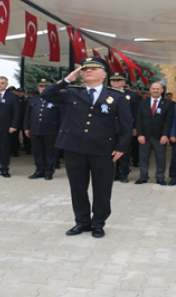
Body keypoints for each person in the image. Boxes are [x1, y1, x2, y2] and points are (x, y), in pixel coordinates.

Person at [41, 56, 131, 239]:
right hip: (74, 148)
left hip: (103, 150)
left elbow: (126, 125)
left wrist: (121, 147)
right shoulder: (72, 92)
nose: (87, 71)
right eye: (84, 69)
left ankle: (98, 223)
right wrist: (67, 80)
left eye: (93, 68)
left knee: (102, 189)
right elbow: (46, 94)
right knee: (78, 188)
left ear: (104, 75)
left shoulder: (116, 97)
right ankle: (82, 222)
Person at [134, 82, 174, 185]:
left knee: (161, 158)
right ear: (150, 90)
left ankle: (160, 177)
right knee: (143, 157)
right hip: (145, 135)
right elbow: (138, 120)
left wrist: (165, 135)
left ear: (162, 90)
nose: (155, 90)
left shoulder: (168, 104)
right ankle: (143, 176)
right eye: (153, 88)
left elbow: (168, 121)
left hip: (160, 136)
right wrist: (140, 134)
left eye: (158, 89)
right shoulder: (142, 103)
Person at [24, 78, 61, 181]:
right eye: (41, 87)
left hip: (51, 130)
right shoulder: (32, 100)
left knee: (50, 152)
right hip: (35, 129)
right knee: (37, 151)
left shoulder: (57, 100)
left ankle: (49, 171)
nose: (43, 88)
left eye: (46, 87)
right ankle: (39, 170)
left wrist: (60, 129)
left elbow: (62, 116)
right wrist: (26, 128)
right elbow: (27, 115)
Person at [108, 72, 140, 182]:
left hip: (125, 128)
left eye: (118, 80)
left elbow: (136, 113)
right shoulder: (105, 93)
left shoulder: (132, 95)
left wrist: (135, 127)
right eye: (113, 80)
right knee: (110, 151)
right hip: (109, 127)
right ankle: (114, 173)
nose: (116, 82)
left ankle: (124, 174)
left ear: (123, 82)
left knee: (124, 151)